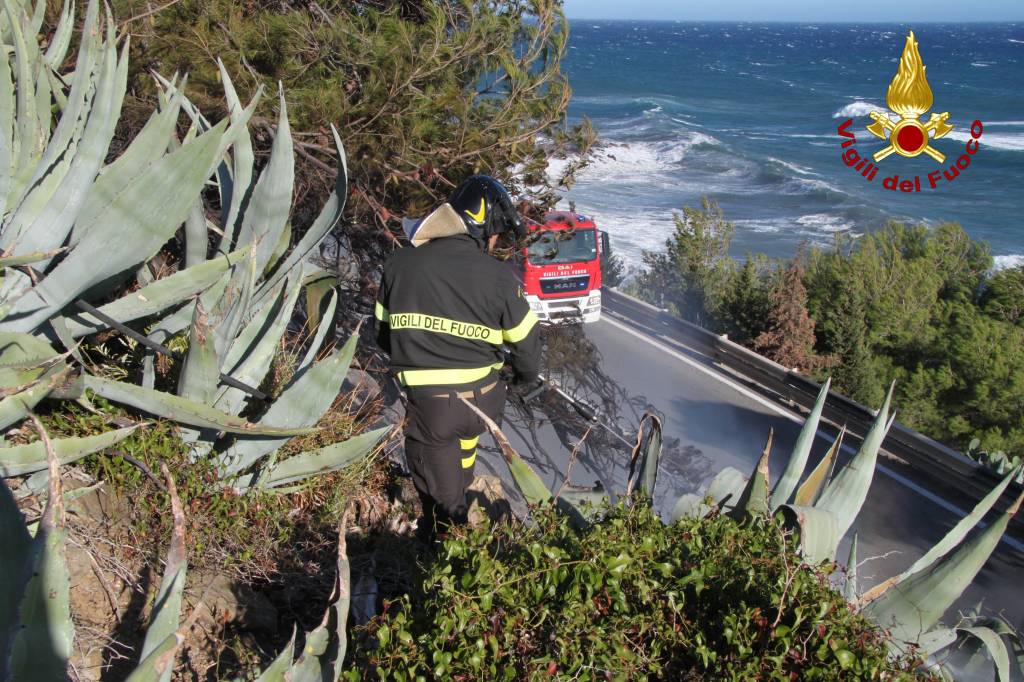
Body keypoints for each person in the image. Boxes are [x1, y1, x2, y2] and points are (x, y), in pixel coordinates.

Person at [374, 175, 541, 531]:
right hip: (484, 404)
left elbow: (383, 337)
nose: (494, 242)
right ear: (483, 230)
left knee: (442, 504)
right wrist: (524, 379)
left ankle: (444, 541)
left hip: (433, 407)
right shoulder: (499, 277)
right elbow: (526, 343)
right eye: (495, 234)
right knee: (462, 455)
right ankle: (463, 482)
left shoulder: (399, 266)